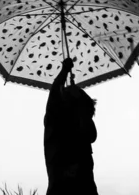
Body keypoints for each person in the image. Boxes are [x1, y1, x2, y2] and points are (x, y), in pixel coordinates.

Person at [44, 58, 98, 195]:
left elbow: (91, 132)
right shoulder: (57, 125)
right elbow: (55, 96)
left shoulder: (84, 131)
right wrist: (64, 71)